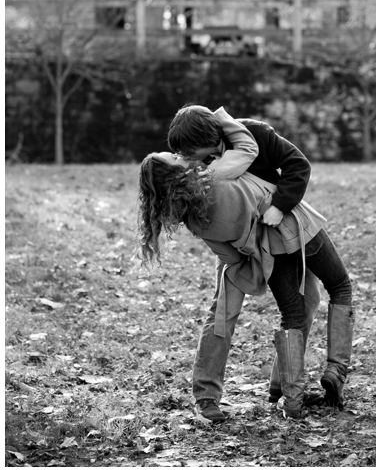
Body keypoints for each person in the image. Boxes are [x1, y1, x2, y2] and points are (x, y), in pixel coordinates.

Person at [136, 108, 353, 423]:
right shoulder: (213, 170)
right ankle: (220, 394)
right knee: (234, 315)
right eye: (174, 156)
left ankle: (284, 391)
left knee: (303, 305)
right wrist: (219, 117)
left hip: (258, 244)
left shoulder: (243, 143)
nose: (179, 155)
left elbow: (295, 164)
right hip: (273, 238)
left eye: (182, 152)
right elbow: (246, 152)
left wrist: (251, 254)